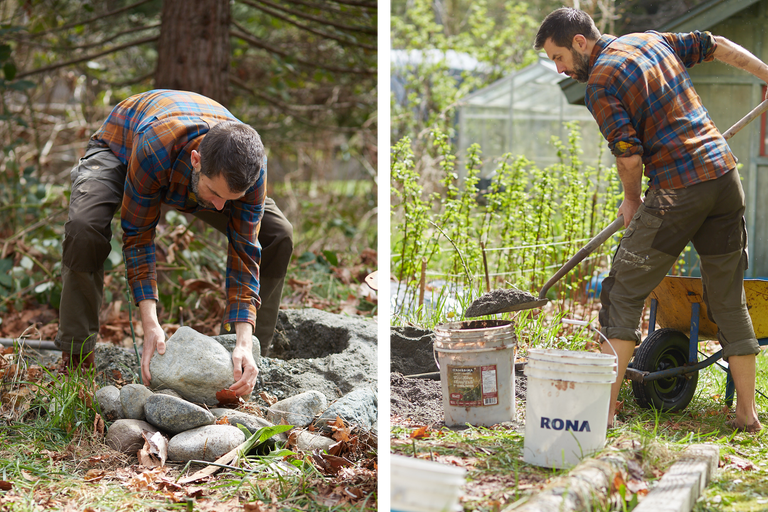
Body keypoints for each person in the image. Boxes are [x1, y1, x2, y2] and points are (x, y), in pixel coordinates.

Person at [534, 8, 768, 432]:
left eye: (559, 57)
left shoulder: (602, 83)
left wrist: (630, 200)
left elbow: (629, 154)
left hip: (680, 190)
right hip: (724, 177)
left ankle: (601, 415)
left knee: (622, 293)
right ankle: (746, 416)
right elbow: (717, 45)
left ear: (580, 43)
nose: (561, 68)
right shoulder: (649, 39)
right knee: (728, 299)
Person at [55, 89, 293, 397]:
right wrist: (150, 325)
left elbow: (245, 252)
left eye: (229, 199)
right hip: (122, 149)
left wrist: (244, 338)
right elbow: (139, 236)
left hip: (192, 166)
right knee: (84, 228)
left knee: (278, 234)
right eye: (215, 194)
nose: (220, 208)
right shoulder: (155, 147)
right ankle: (75, 356)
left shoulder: (252, 169)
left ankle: (244, 358)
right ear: (196, 161)